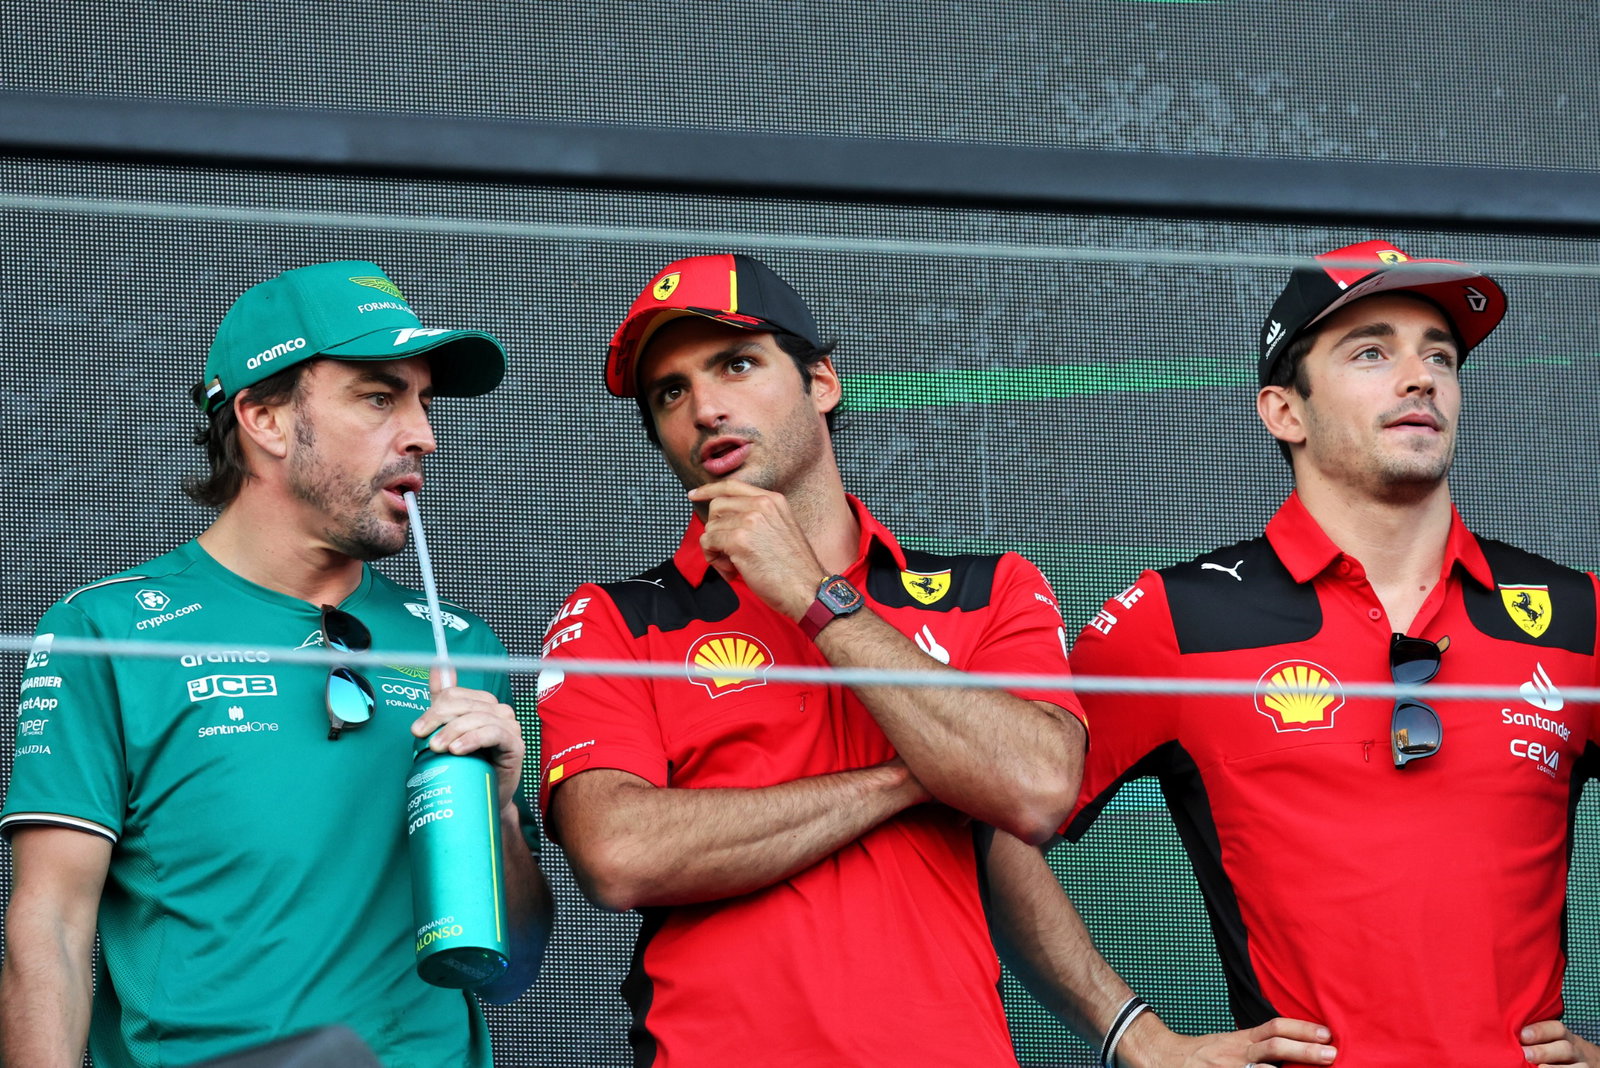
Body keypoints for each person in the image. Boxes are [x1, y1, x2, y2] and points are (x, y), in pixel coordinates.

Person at [987, 239, 1600, 1067]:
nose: (1421, 378)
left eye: (1441, 357)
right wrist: (1133, 1035)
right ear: (1285, 411)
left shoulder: (1577, 613)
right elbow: (994, 824)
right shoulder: (1178, 616)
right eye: (1372, 351)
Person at [535, 253, 1085, 1066]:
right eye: (670, 393)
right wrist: (920, 774)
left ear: (821, 382)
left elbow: (1036, 787)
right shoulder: (614, 618)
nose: (706, 409)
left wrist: (816, 596)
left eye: (737, 364)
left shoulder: (989, 589)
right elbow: (620, 855)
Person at [0, 262, 553, 1068]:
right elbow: (49, 928)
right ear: (262, 416)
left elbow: (514, 972)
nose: (423, 434)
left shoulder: (458, 646)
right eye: (379, 396)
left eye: (423, 402)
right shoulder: (106, 628)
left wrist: (500, 813)